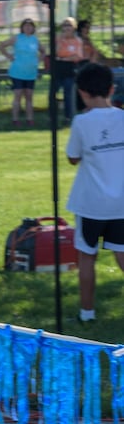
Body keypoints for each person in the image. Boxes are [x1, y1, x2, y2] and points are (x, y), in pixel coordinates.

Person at [66, 62, 124, 322]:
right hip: (121, 202)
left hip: (90, 203)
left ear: (82, 93)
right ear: (112, 88)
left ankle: (86, 313)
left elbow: (73, 157)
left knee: (87, 256)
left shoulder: (81, 122)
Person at [0, 19, 43, 127]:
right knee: (18, 95)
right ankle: (15, 119)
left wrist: (38, 60)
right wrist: (9, 56)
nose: (28, 28)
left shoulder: (35, 40)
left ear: (33, 28)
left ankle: (30, 119)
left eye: (30, 26)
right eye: (26, 26)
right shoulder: (17, 38)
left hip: (30, 72)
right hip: (18, 72)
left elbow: (43, 51)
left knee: (29, 96)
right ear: (22, 28)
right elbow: (1, 46)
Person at [54, 17, 87, 123]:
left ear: (74, 28)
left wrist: (63, 58)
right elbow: (55, 53)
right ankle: (52, 117)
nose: (67, 28)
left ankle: (68, 117)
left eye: (69, 25)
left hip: (70, 69)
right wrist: (61, 40)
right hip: (58, 68)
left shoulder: (77, 41)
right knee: (52, 93)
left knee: (68, 93)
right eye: (65, 25)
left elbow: (78, 56)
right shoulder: (58, 38)